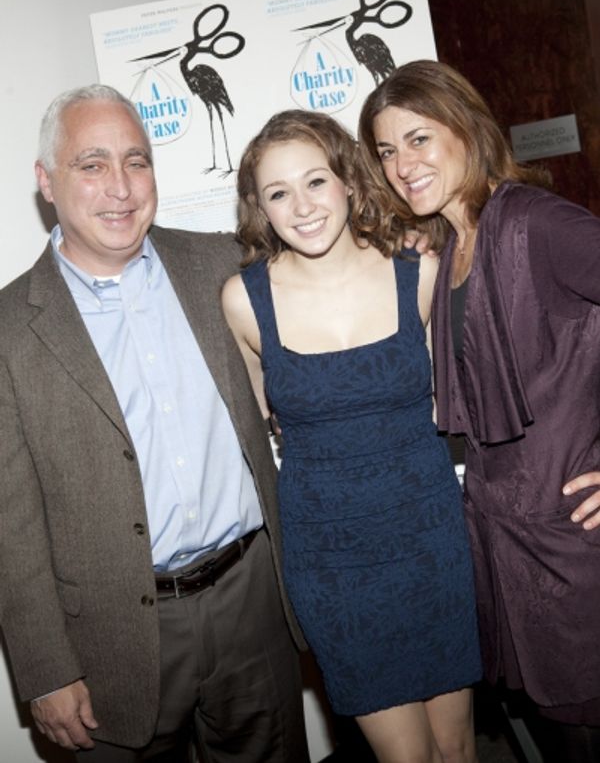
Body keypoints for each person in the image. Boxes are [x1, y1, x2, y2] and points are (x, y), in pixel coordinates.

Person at [0, 84, 310, 763]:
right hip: (109, 642)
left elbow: (330, 277)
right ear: (46, 182)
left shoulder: (223, 265)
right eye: (92, 164)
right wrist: (45, 670)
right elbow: (8, 523)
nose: (121, 187)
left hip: (251, 601)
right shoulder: (8, 331)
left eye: (135, 161)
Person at [221, 109, 482, 763]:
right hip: (333, 560)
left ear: (347, 180)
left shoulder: (417, 272)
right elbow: (260, 424)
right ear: (260, 208)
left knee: (457, 749)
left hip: (430, 537)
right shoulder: (244, 301)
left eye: (316, 181)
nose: (303, 207)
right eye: (279, 193)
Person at [358, 58, 600, 762]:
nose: (402, 165)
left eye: (419, 139)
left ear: (466, 128)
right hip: (511, 550)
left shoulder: (534, 222)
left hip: (574, 550)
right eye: (387, 150)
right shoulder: (454, 240)